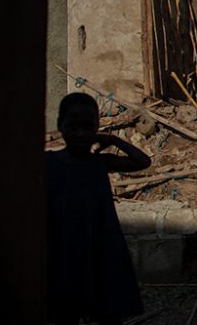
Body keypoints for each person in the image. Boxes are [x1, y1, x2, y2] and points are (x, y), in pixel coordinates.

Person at [46, 92, 152, 324]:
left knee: (106, 305)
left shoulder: (99, 162)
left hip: (98, 243)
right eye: (73, 126)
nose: (81, 133)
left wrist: (113, 140)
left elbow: (143, 162)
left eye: (88, 126)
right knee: (65, 308)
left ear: (97, 127)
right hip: (62, 246)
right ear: (59, 126)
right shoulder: (49, 162)